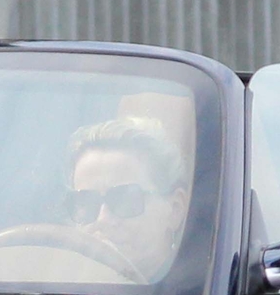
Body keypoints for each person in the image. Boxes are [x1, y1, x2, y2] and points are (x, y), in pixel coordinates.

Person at [65, 116, 192, 284]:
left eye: (125, 199)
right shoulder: (57, 286)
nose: (103, 219)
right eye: (87, 203)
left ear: (175, 209)